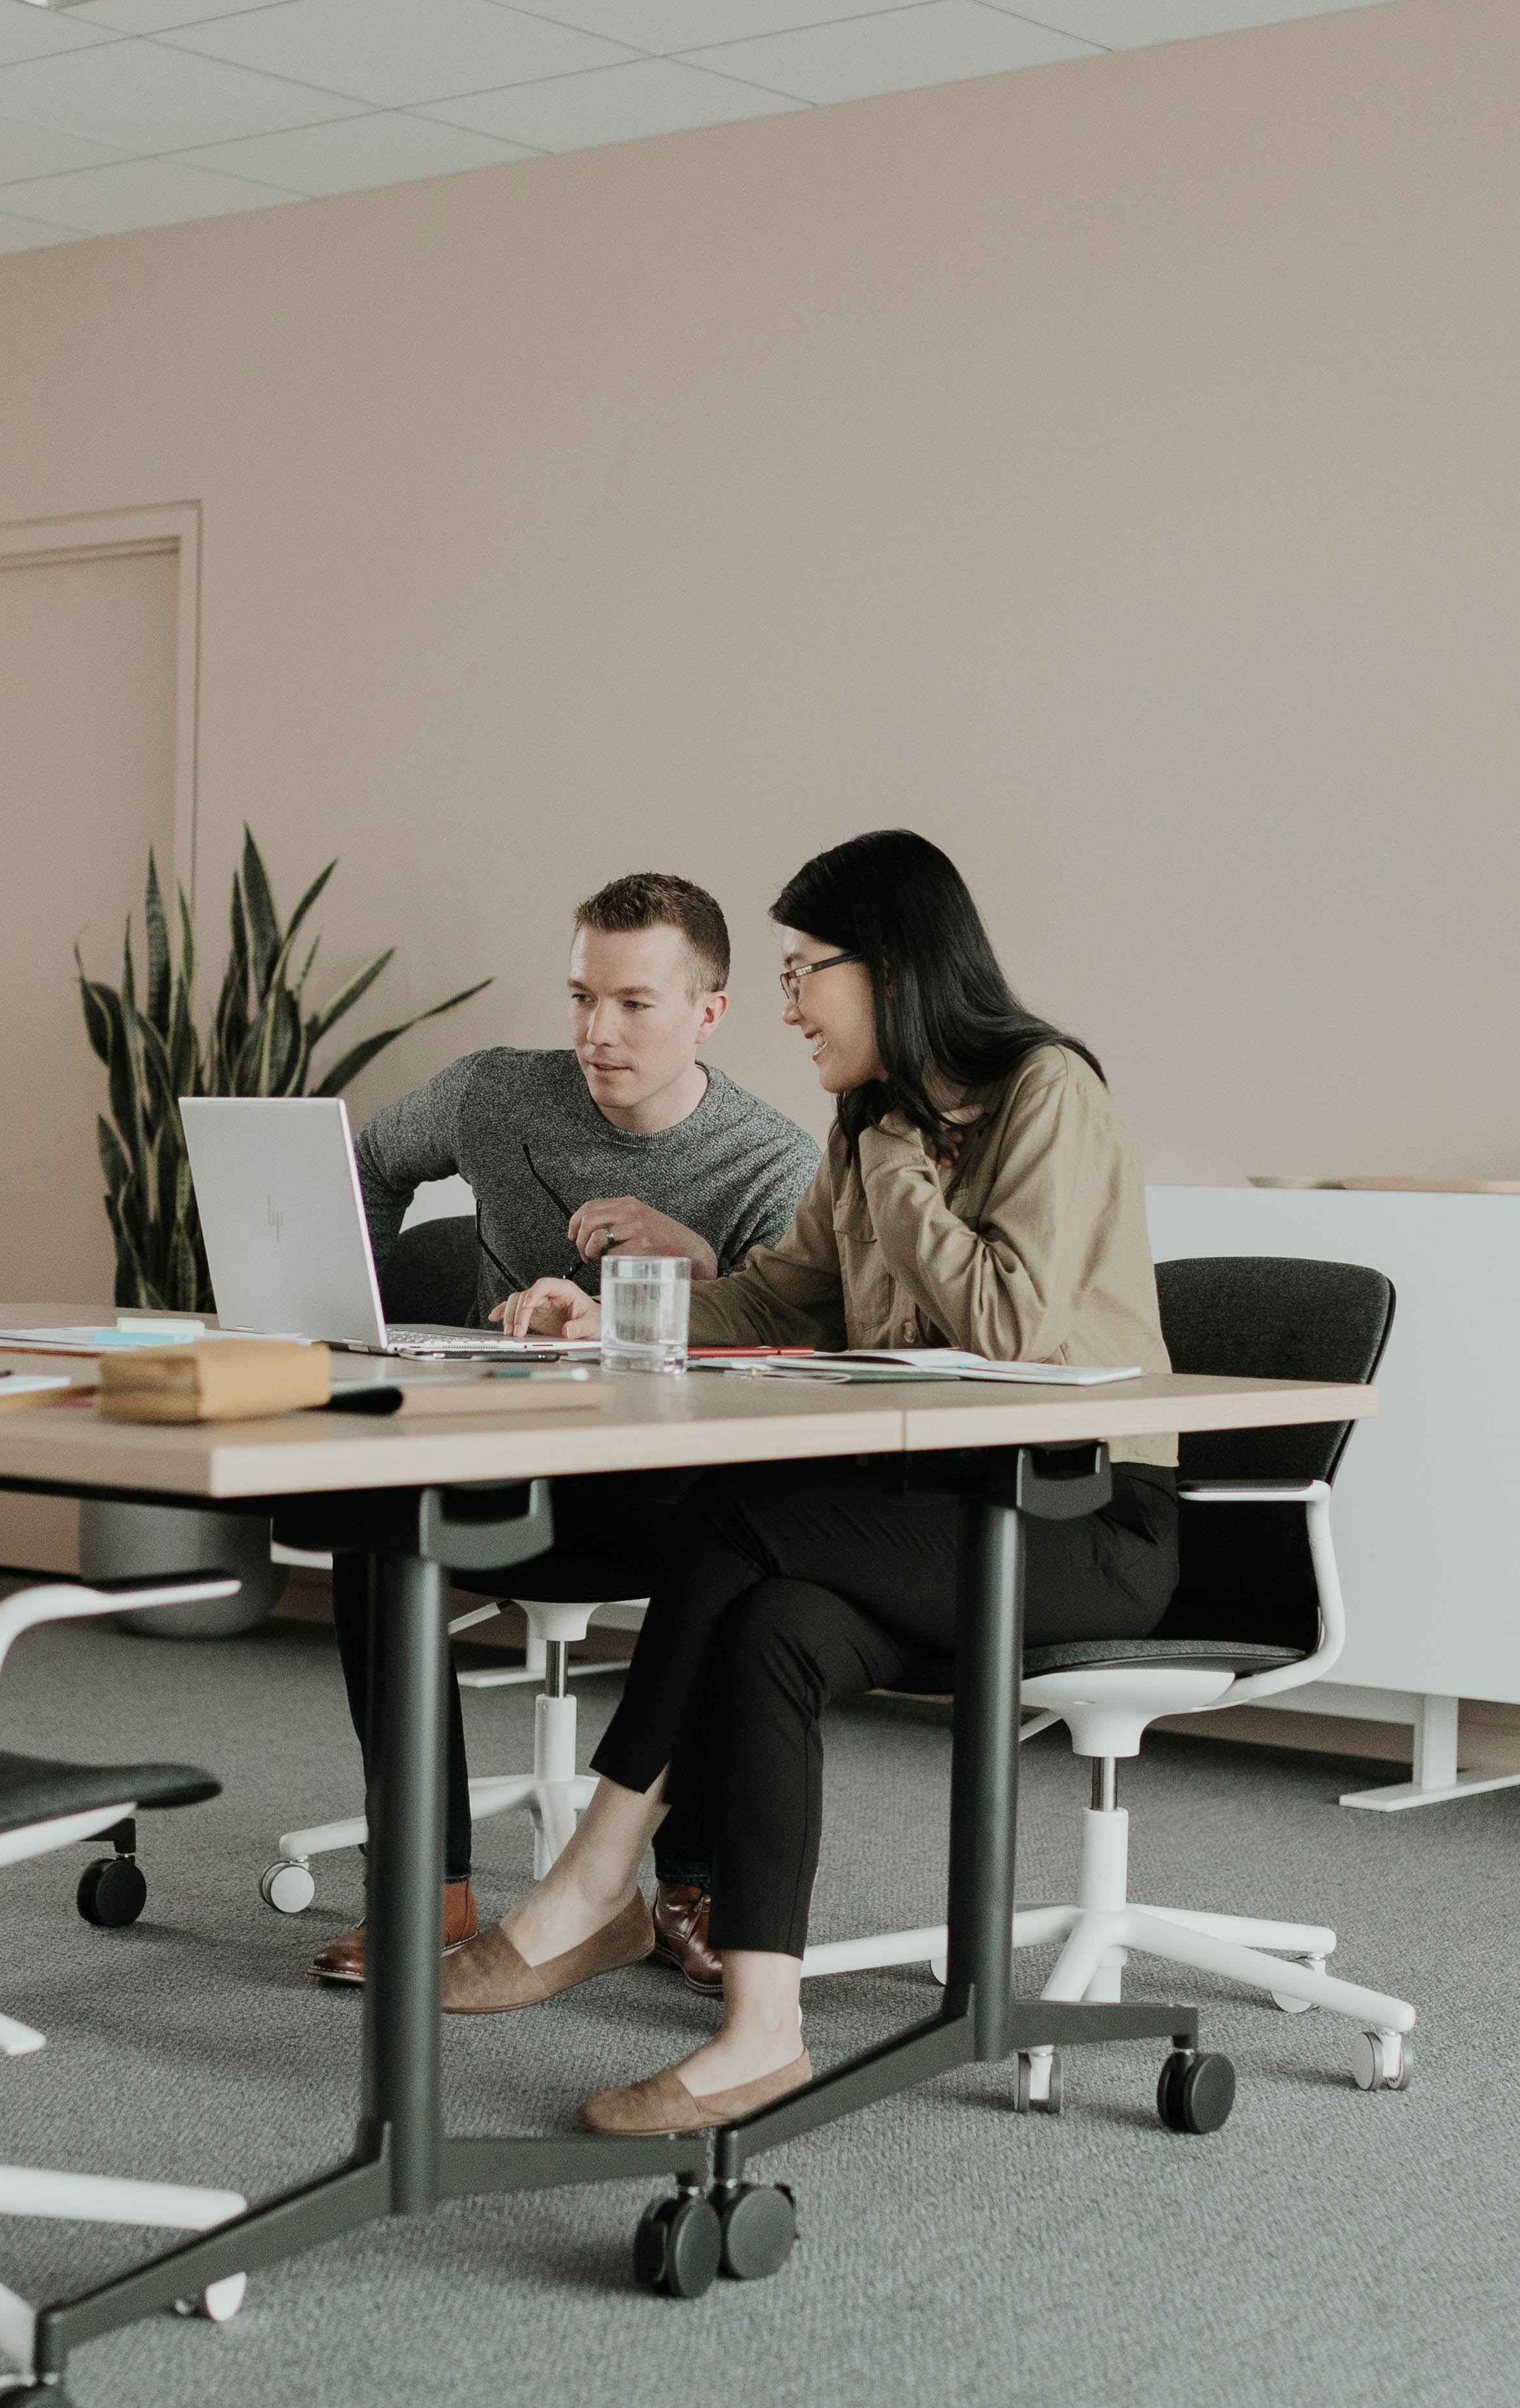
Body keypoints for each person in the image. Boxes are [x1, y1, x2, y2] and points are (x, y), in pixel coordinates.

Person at [455, 831, 1181, 2135]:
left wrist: (897, 1163)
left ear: (890, 969)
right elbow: (776, 1296)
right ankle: (760, 2032)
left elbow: (1010, 1327)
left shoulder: (1042, 1091)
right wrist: (615, 1311)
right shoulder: (867, 1125)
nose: (785, 1007)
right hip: (936, 1516)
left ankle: (595, 1875)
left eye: (803, 974)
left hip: (1083, 1519)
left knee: (737, 1513)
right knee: (772, 1629)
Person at [312, 872, 820, 1988]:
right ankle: (427, 1876)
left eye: (634, 1004)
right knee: (369, 1510)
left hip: (673, 1500)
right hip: (508, 1472)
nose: (597, 1032)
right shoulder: (494, 1095)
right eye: (583, 997)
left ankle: (690, 1880)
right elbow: (366, 1165)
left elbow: (813, 1345)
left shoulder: (772, 1163)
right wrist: (361, 1308)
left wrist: (695, 1266)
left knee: (742, 1541)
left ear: (709, 1012)